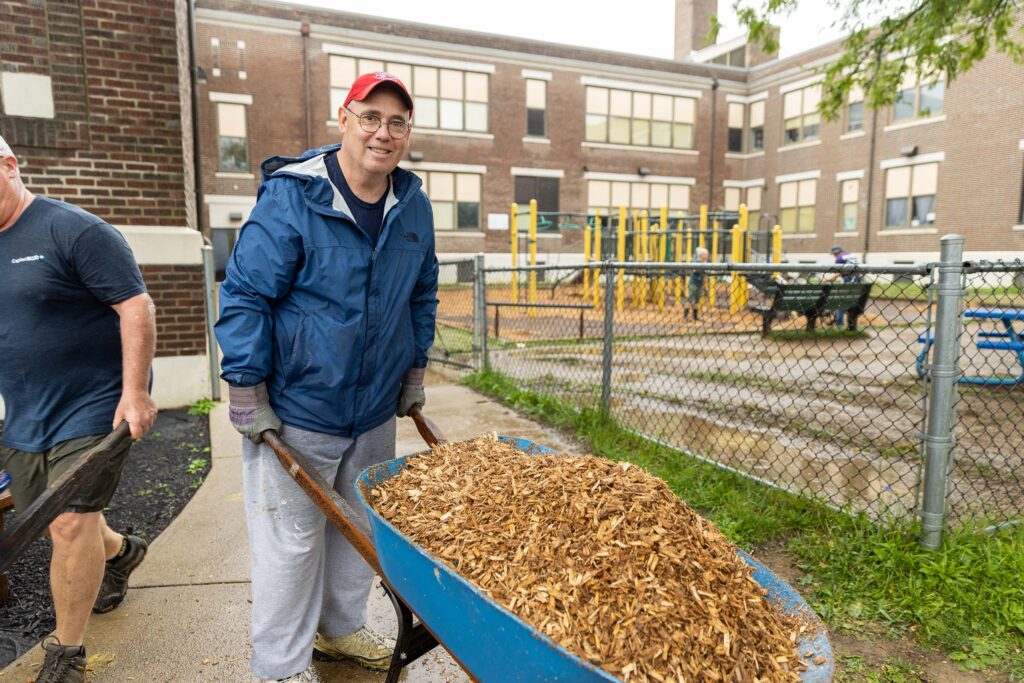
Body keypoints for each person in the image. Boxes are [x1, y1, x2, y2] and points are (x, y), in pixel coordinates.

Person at [215, 72, 439, 683]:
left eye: (397, 122)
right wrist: (245, 392)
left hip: (371, 410)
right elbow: (246, 295)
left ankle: (339, 634)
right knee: (289, 548)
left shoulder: (412, 203)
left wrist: (414, 370)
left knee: (358, 532)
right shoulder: (295, 197)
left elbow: (421, 294)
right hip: (297, 410)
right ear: (344, 117)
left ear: (407, 132)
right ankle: (279, 668)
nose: (383, 133)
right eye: (370, 117)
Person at [0, 135, 157, 683]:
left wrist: (134, 391)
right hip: (25, 413)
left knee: (68, 523)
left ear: (10, 165)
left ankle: (67, 655)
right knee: (53, 523)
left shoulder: (72, 229)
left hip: (95, 404)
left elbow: (135, 305)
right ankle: (119, 552)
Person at [825, 245, 862, 327]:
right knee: (850, 302)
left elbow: (840, 271)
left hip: (847, 281)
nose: (834, 256)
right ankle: (852, 325)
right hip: (857, 282)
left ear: (837, 253)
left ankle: (839, 324)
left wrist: (831, 279)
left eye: (834, 254)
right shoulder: (852, 255)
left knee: (840, 302)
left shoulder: (839, 259)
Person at [685, 246, 710, 321]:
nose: (707, 256)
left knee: (697, 300)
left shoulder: (705, 263)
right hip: (694, 283)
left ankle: (695, 316)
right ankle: (685, 315)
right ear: (701, 255)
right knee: (690, 298)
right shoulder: (696, 262)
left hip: (699, 283)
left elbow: (706, 272)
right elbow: (695, 270)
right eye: (706, 254)